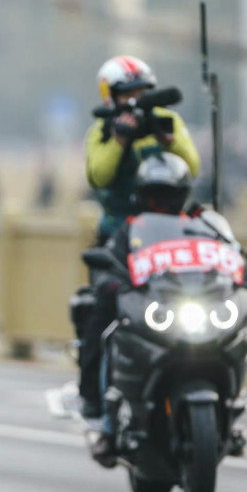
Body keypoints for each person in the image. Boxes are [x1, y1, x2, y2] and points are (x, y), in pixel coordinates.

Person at [79, 153, 193, 463]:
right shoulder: (129, 230)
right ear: (142, 196)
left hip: (187, 307)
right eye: (155, 195)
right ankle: (100, 415)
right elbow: (108, 264)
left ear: (181, 196)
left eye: (168, 195)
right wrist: (112, 280)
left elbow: (226, 254)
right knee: (103, 331)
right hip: (143, 305)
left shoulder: (198, 227)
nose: (161, 202)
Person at [85, 56, 200, 245]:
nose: (136, 101)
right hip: (117, 232)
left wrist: (168, 141)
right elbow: (99, 177)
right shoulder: (101, 130)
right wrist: (118, 141)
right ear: (111, 97)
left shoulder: (167, 120)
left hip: (166, 231)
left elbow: (193, 168)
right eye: (128, 94)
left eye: (142, 93)